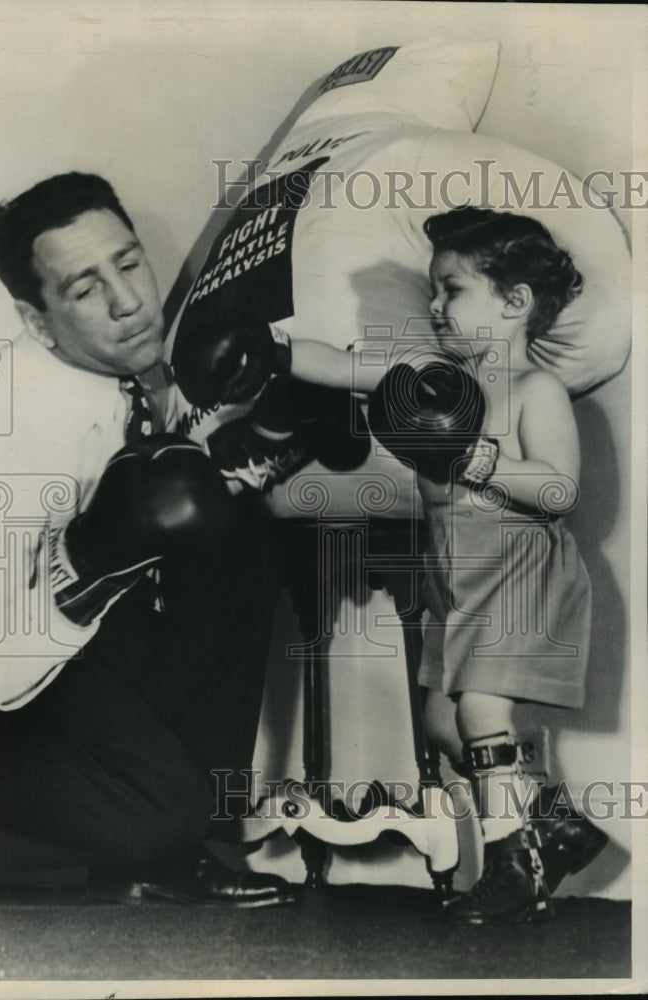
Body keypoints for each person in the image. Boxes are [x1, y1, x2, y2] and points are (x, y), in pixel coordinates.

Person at [178, 206, 609, 924]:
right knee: (444, 724)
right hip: (454, 574)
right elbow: (347, 367)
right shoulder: (433, 377)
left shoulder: (535, 390)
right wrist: (271, 350)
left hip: (516, 567)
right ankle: (555, 822)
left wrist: (478, 458)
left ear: (514, 303)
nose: (435, 307)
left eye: (452, 290)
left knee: (479, 711)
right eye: (432, 292)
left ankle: (516, 862)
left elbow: (559, 489)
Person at [0, 171, 355, 908]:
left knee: (236, 543)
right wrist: (88, 569)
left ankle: (179, 843)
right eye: (83, 289)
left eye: (128, 263)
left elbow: (170, 494)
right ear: (37, 320)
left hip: (52, 665)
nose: (128, 302)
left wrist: (275, 429)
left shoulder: (121, 370)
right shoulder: (10, 441)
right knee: (153, 817)